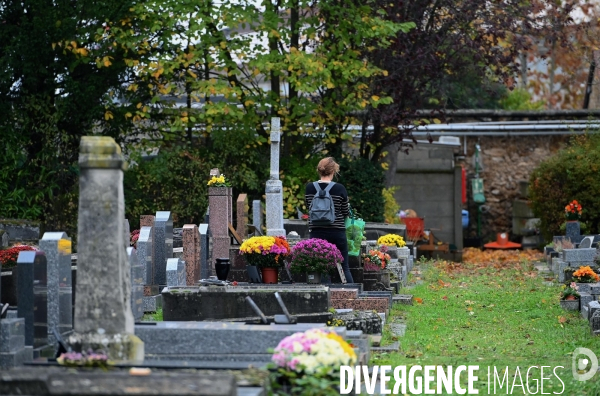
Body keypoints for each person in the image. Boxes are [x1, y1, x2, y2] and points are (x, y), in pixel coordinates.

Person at [304, 157, 354, 283]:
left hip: (316, 232)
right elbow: (345, 212)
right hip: (337, 232)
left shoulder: (310, 188)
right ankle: (352, 294)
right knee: (345, 267)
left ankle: (326, 297)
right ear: (333, 171)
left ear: (319, 170)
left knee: (322, 267)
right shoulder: (340, 188)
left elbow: (309, 208)